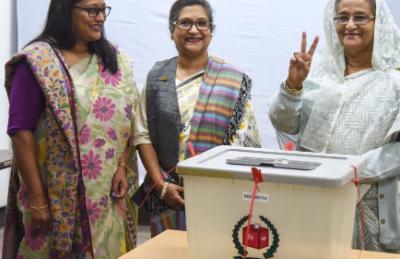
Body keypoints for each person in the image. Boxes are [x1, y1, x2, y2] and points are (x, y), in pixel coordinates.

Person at [269, 0, 400, 254]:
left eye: (361, 17)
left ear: (379, 23)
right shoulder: (320, 75)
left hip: (372, 209)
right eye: (342, 17)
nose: (350, 25)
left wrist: (359, 168)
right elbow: (285, 124)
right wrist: (293, 87)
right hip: (317, 199)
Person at [2, 0, 139, 258]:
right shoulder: (36, 62)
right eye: (92, 10)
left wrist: (122, 165)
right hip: (53, 194)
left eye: (103, 10)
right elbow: (20, 132)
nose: (100, 17)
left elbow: (125, 118)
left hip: (105, 195)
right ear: (65, 11)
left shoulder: (114, 60)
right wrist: (38, 198)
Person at [134, 0, 260, 237]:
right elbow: (142, 134)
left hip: (218, 197)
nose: (194, 30)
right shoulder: (156, 77)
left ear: (211, 31)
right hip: (168, 196)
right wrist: (161, 186)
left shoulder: (233, 80)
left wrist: (212, 186)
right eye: (185, 23)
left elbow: (245, 142)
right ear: (172, 31)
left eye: (202, 23)